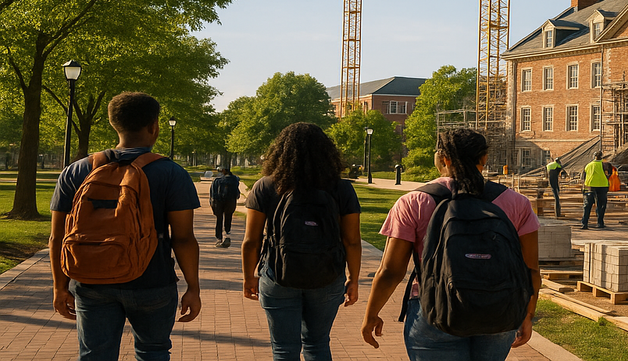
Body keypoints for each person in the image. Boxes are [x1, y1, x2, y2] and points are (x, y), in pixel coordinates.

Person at [361, 128, 540, 360]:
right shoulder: (517, 203)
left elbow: (391, 271)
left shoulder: (413, 202)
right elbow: (531, 269)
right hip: (498, 311)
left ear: (443, 159)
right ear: (484, 159)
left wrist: (371, 313)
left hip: (434, 309)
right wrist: (527, 314)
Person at [49, 91, 201, 360]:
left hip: (90, 280)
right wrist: (193, 287)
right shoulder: (171, 173)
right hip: (152, 281)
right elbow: (183, 238)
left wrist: (60, 287)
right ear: (154, 126)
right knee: (153, 352)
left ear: (113, 123)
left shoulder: (77, 170)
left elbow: (57, 236)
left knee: (95, 354)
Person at [242, 123, 362, 361]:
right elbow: (352, 241)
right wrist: (353, 279)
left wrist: (249, 277)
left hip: (278, 274)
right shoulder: (341, 188)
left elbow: (251, 241)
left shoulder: (266, 186)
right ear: (326, 151)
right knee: (317, 344)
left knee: (284, 348)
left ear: (281, 150)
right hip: (328, 276)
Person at [209, 166, 241, 248]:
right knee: (228, 217)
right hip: (230, 201)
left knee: (219, 219)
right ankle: (227, 234)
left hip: (218, 201)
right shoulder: (235, 179)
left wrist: (212, 203)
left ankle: (219, 238)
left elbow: (213, 193)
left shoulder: (217, 180)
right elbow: (237, 193)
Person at [581, 151, 610, 230]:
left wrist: (584, 187)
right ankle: (600, 223)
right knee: (601, 206)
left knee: (587, 206)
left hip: (589, 186)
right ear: (602, 157)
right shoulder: (605, 165)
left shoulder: (588, 165)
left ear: (593, 156)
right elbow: (609, 174)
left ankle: (584, 223)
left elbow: (584, 176)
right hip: (602, 186)